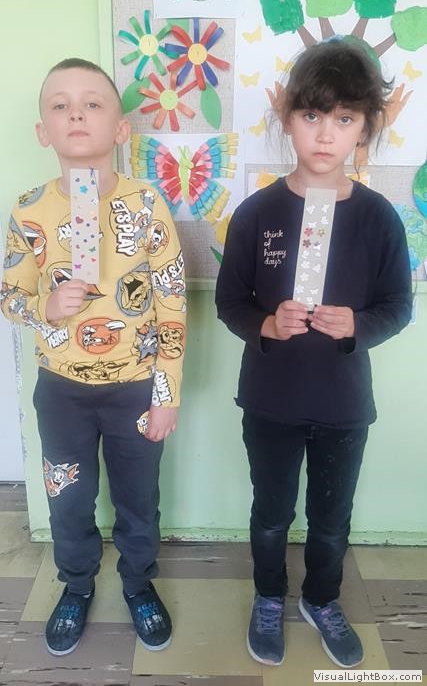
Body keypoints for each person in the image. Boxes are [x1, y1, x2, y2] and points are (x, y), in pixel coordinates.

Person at [215, 40, 412, 669]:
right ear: (288, 118)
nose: (326, 134)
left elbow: (397, 307)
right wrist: (267, 324)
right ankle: (269, 596)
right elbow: (229, 303)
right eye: (312, 115)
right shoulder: (257, 213)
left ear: (365, 127)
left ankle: (321, 599)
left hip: (344, 405)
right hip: (270, 400)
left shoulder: (379, 219)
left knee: (331, 520)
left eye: (345, 118)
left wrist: (357, 324)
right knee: (271, 513)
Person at [1, 58, 186, 656]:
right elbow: (8, 295)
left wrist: (166, 395)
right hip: (62, 392)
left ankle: (137, 583)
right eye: (60, 105)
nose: (76, 114)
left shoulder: (147, 203)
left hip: (137, 389)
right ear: (43, 131)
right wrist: (44, 307)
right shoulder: (29, 210)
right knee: (69, 498)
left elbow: (173, 302)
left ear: (121, 128)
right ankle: (77, 585)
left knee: (138, 496)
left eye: (92, 103)